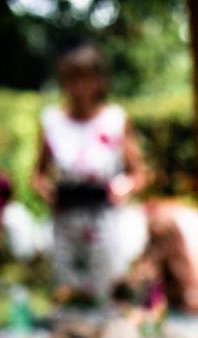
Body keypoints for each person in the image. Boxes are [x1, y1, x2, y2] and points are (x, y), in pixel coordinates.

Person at [33, 43, 148, 305]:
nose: (78, 87)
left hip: (103, 218)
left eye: (84, 77)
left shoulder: (115, 119)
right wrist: (49, 193)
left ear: (99, 80)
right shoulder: (52, 121)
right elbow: (38, 175)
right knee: (69, 294)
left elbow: (138, 173)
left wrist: (123, 189)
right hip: (65, 220)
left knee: (106, 294)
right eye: (71, 78)